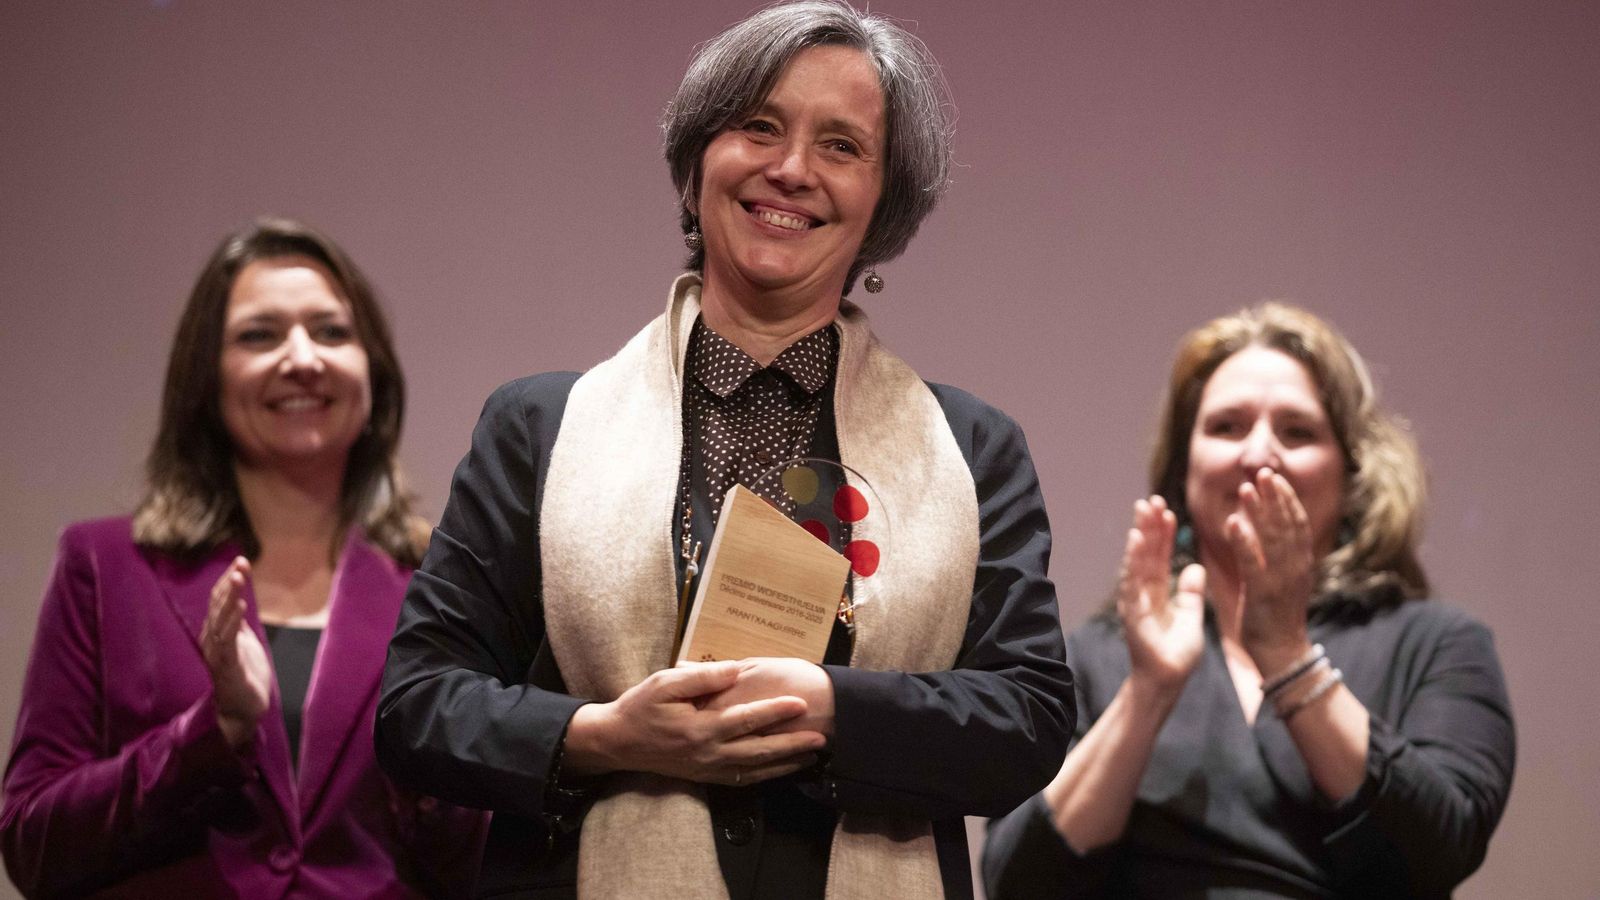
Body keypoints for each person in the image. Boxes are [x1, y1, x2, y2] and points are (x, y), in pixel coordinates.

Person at [374, 2, 1074, 899]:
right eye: (760, 127)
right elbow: (418, 705)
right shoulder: (539, 426)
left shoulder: (972, 450)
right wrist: (605, 737)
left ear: (883, 203)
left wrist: (833, 709)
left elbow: (1029, 717)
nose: (792, 170)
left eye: (841, 146)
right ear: (698, 159)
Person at [1, 217, 485, 898]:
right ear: (207, 377)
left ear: (373, 372)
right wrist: (214, 730)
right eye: (260, 335)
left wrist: (439, 770)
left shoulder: (437, 585)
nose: (302, 358)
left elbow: (478, 868)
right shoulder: (104, 567)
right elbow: (33, 845)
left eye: (331, 332)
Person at [982, 303, 1516, 898]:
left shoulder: (1437, 644)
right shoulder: (1102, 656)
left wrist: (1288, 656)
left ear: (1353, 475)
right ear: (1185, 468)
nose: (1258, 455)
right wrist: (1149, 692)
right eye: (1227, 427)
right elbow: (1016, 881)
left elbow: (1442, 851)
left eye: (1298, 431)